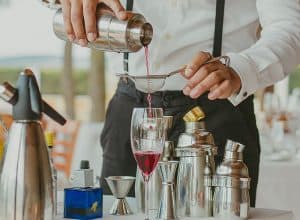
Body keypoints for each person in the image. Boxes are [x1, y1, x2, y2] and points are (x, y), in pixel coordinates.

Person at [60, 0, 300, 206]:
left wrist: (241, 69)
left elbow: (290, 28)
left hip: (216, 111)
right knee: (119, 211)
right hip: (129, 111)